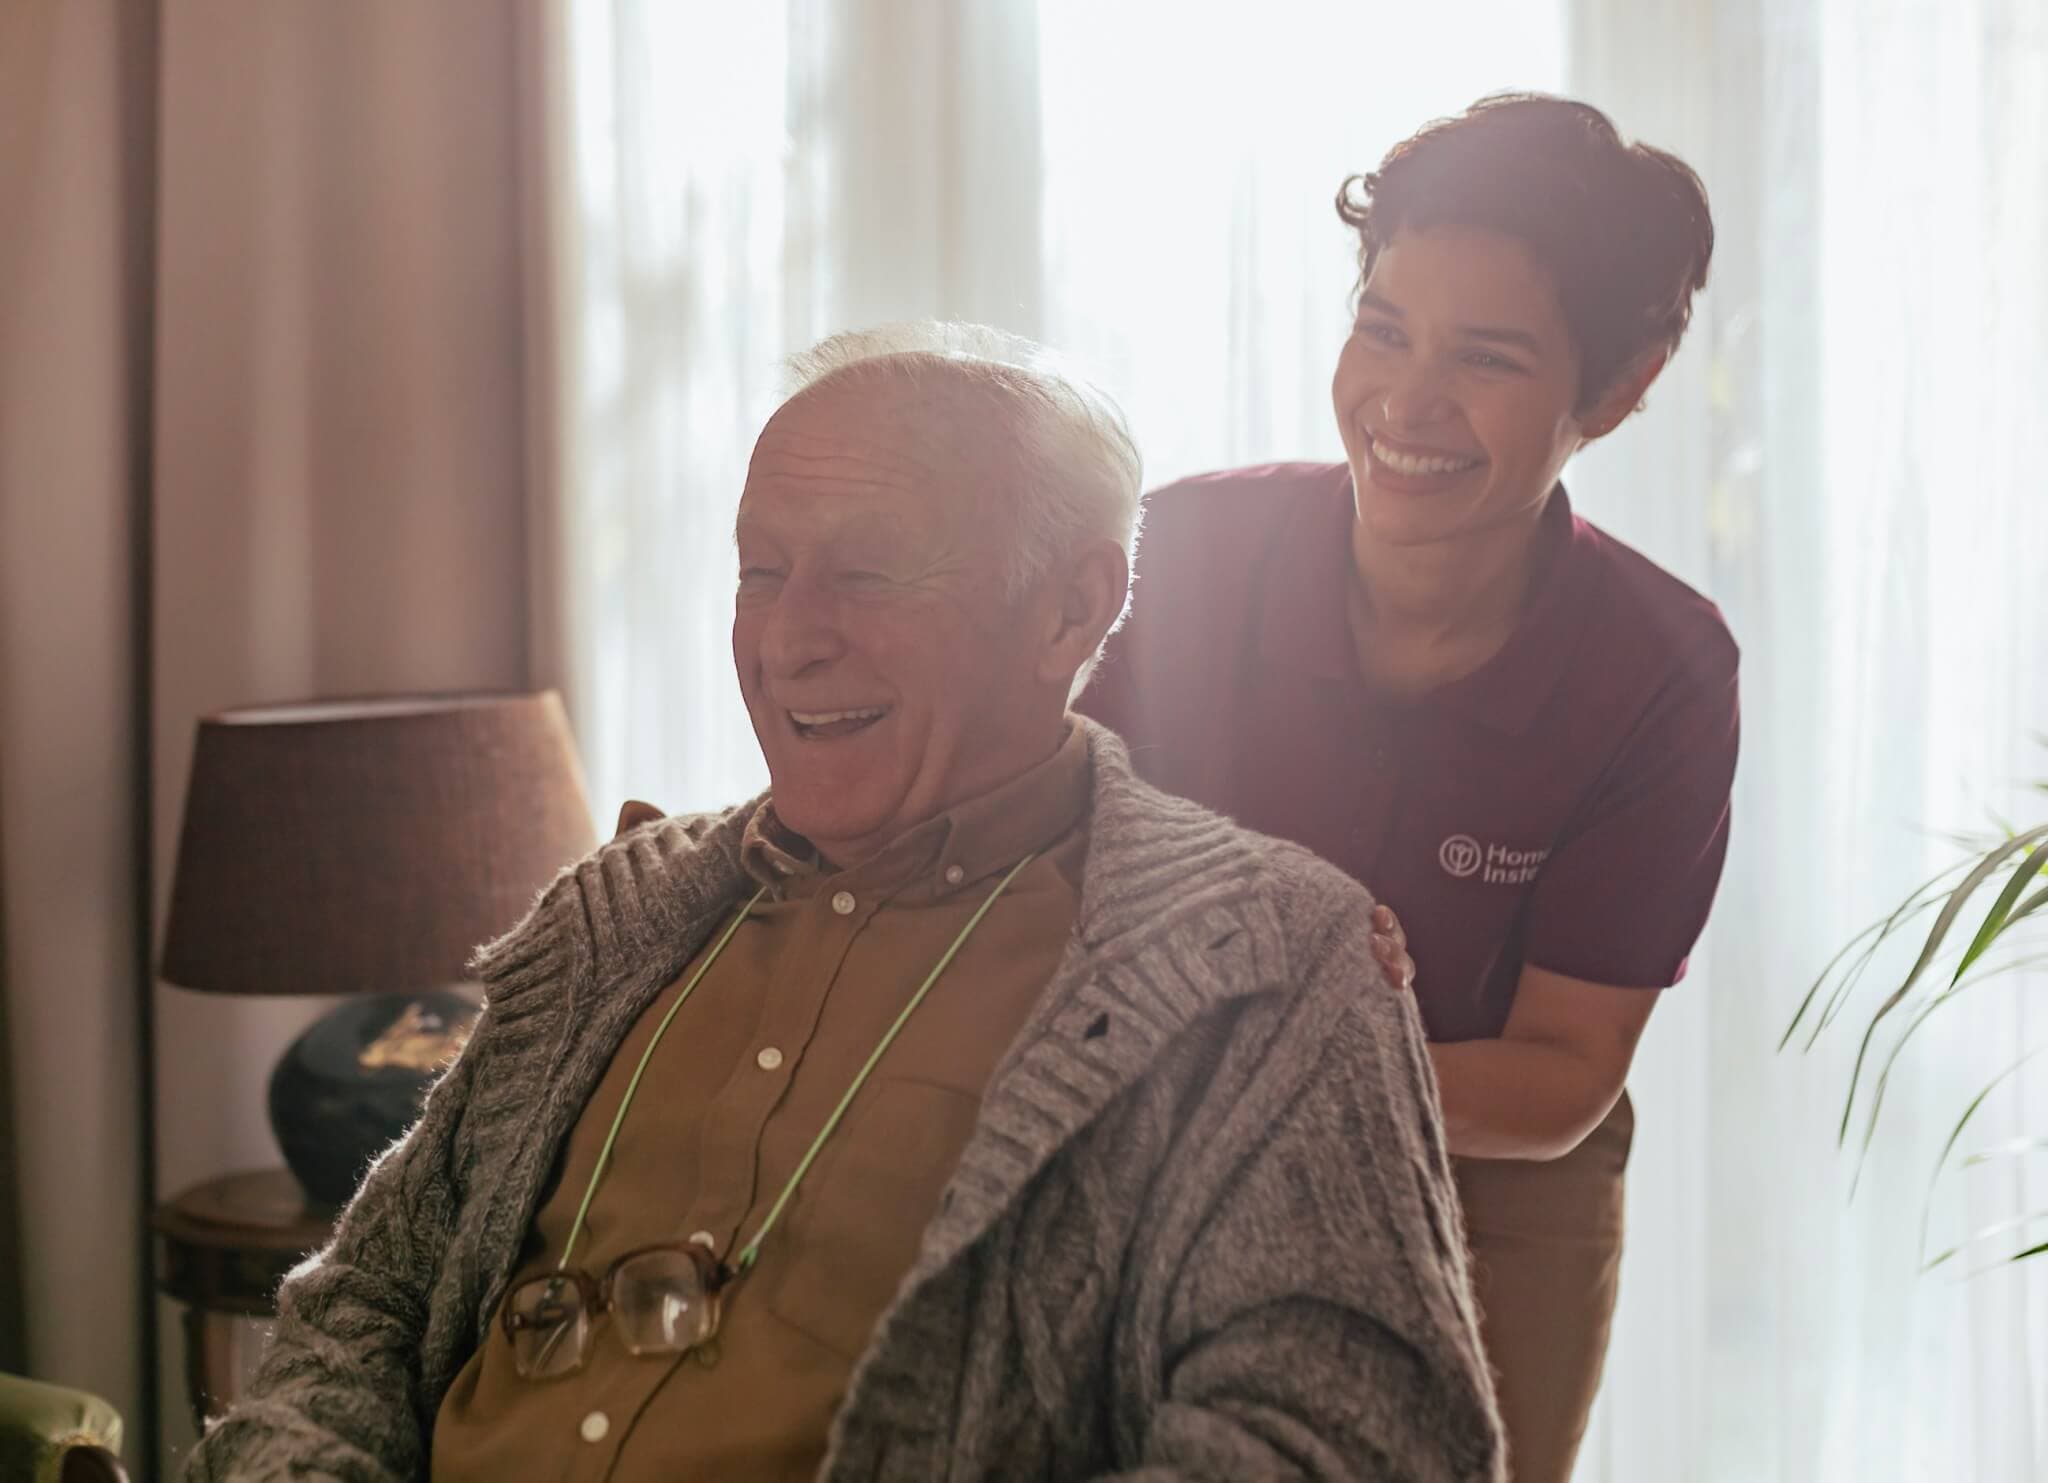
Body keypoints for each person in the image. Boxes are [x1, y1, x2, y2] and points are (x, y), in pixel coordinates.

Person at [185, 322, 1504, 1483]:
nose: (789, 639)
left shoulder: (1268, 962)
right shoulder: (608, 922)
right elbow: (363, 1306)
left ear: (1070, 610)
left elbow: (1351, 1447)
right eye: (761, 571)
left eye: (867, 576)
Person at [1078, 95, 1738, 1482]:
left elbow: (1563, 1073)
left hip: (1484, 1175)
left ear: (1619, 388)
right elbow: (1041, 872)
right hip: (1162, 1127)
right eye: (1383, 330)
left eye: (1486, 359)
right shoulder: (1184, 553)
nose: (1406, 404)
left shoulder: (1660, 674)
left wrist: (1299, 1057)